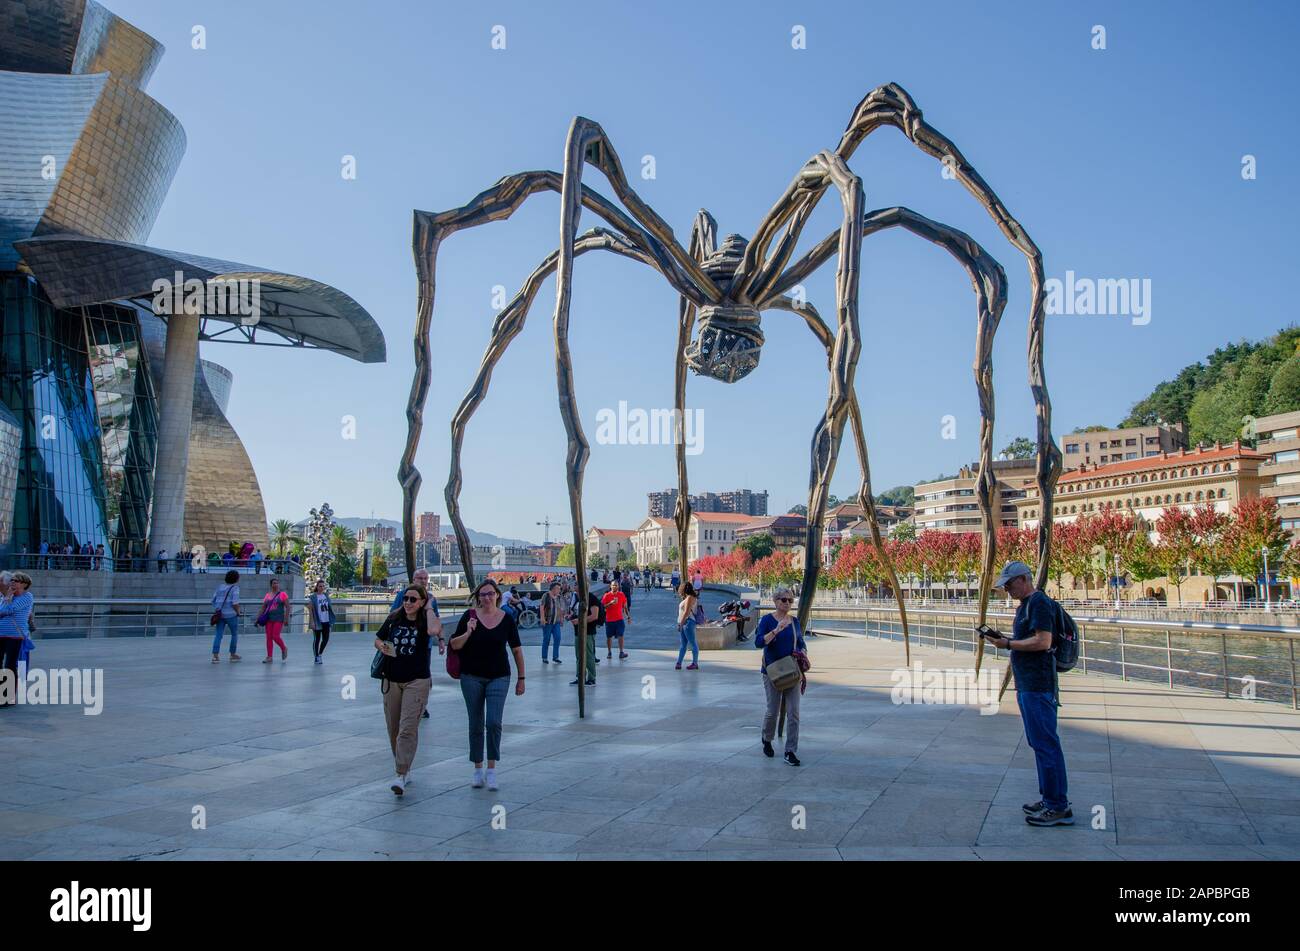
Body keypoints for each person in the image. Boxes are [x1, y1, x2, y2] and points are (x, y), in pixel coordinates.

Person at [982, 561, 1072, 827]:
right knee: (1040, 744)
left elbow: (1043, 641)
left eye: (1009, 584)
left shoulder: (1039, 603)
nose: (1007, 589)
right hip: (1028, 685)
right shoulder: (1026, 606)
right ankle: (1050, 799)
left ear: (1024, 579)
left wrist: (1008, 643)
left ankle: (1057, 806)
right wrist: (1006, 641)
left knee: (1046, 745)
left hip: (1039, 685)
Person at [448, 579, 524, 791]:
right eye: (483, 594)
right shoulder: (469, 617)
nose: (487, 598)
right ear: (478, 597)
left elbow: (517, 649)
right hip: (471, 676)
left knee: (493, 722)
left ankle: (492, 769)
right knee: (475, 723)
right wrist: (469, 631)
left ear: (498, 595)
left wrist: (521, 678)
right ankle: (477, 768)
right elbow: (454, 644)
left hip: (499, 676)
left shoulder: (507, 619)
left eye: (491, 594)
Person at [374, 584, 435, 795]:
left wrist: (428, 609)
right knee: (394, 729)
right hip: (391, 679)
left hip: (417, 680)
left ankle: (400, 774)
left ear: (421, 602)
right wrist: (381, 646)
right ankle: (405, 767)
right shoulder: (394, 618)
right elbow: (378, 637)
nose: (408, 603)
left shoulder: (426, 620)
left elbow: (436, 631)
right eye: (406, 598)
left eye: (413, 599)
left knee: (407, 727)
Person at [755, 585, 806, 766]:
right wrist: (776, 630)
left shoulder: (794, 622)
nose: (787, 603)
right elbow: (759, 642)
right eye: (783, 600)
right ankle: (767, 738)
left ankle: (790, 751)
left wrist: (803, 652)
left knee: (794, 713)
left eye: (790, 600)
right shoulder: (767, 621)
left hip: (791, 671)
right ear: (775, 601)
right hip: (772, 672)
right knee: (773, 711)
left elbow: (800, 641)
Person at [390, 568, 445, 717]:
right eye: (419, 578)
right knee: (403, 674)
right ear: (413, 580)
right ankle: (404, 703)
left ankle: (421, 705)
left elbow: (437, 620)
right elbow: (392, 616)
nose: (423, 581)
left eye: (425, 578)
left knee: (422, 676)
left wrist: (441, 640)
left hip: (423, 645)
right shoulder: (403, 595)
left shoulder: (431, 598)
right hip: (403, 643)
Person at [0, 571, 33, 707]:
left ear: (24, 584)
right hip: (1, 635)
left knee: (10, 666)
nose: (12, 582)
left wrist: (7, 598)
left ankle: (8, 697)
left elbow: (9, 610)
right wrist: (7, 599)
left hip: (15, 636)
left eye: (16, 580)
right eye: (12, 580)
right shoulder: (8, 596)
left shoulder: (27, 597)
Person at [569, 584, 599, 688]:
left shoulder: (592, 598)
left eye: (577, 586)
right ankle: (580, 677)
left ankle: (591, 679)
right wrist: (571, 617)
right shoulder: (578, 599)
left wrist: (579, 621)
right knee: (579, 656)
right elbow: (578, 613)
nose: (575, 590)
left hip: (588, 632)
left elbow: (594, 616)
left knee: (588, 655)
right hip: (578, 632)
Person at [210, 570, 241, 662]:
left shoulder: (220, 587)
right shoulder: (235, 588)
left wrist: (218, 608)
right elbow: (235, 603)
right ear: (236, 578)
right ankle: (232, 654)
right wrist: (238, 612)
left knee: (218, 635)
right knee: (234, 634)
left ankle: (215, 656)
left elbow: (213, 600)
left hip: (220, 615)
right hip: (231, 615)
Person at [259, 577, 290, 663]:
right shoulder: (268, 595)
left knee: (275, 636)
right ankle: (269, 656)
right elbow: (263, 607)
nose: (275, 585)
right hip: (269, 618)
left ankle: (283, 648)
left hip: (279, 618)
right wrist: (258, 617)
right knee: (268, 637)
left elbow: (288, 607)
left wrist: (286, 618)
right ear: (271, 585)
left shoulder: (283, 594)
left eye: (277, 583)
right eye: (274, 583)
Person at [308, 579, 336, 664]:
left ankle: (320, 654)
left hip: (326, 621)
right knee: (317, 639)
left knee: (326, 639)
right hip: (317, 621)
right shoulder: (313, 597)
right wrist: (312, 622)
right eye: (320, 586)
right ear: (317, 587)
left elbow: (329, 608)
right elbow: (311, 610)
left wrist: (331, 620)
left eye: (323, 586)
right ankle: (316, 656)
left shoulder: (326, 596)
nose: (322, 588)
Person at [601, 579, 630, 660]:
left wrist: (628, 617)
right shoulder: (606, 595)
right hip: (609, 620)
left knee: (621, 635)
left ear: (618, 586)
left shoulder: (621, 595)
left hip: (619, 619)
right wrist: (610, 603)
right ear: (610, 586)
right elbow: (602, 607)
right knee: (609, 637)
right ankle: (609, 652)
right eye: (613, 585)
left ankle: (621, 652)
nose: (614, 587)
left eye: (616, 585)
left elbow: (625, 606)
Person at [676, 582, 701, 671]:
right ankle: (679, 662)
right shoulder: (688, 597)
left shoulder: (690, 597)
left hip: (687, 622)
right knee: (683, 644)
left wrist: (680, 624)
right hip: (685, 623)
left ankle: (695, 663)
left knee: (692, 643)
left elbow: (686, 612)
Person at [539, 580, 564, 665]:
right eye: (558, 588)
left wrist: (561, 618)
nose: (559, 590)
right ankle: (544, 657)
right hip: (547, 621)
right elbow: (542, 606)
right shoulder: (546, 595)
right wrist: (542, 618)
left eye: (559, 589)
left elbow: (560, 608)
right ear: (553, 589)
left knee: (558, 638)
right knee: (547, 639)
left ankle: (555, 657)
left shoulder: (559, 597)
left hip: (556, 622)